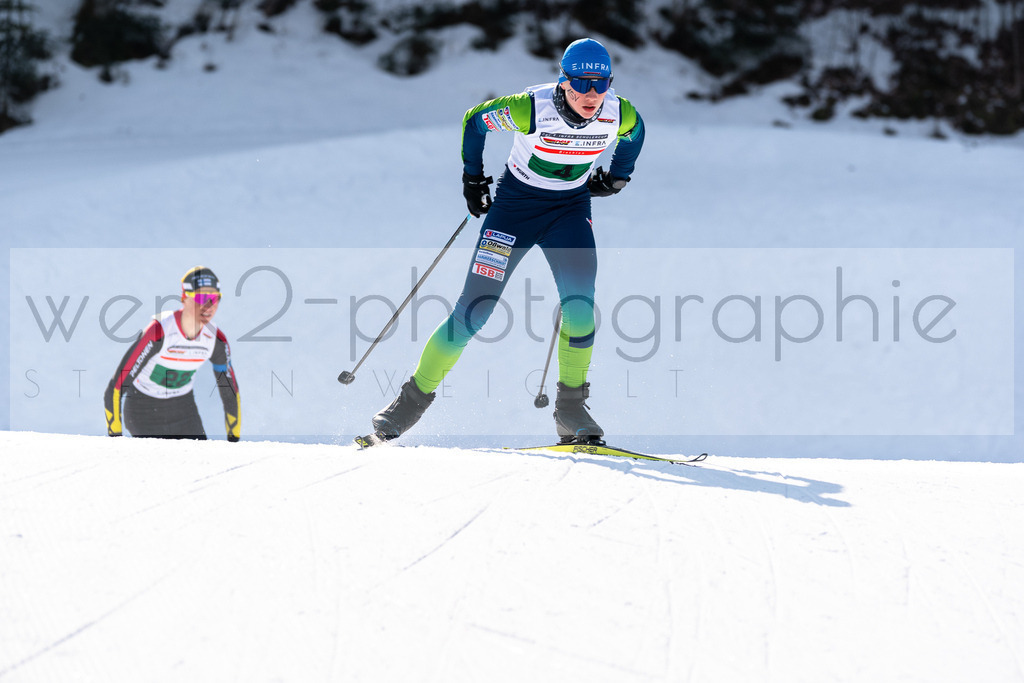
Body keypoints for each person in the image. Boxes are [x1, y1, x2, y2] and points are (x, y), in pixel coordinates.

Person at [366, 37, 645, 444]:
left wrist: (619, 175)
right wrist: (472, 177)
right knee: (474, 311)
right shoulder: (529, 108)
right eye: (581, 83)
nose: (591, 94)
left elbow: (636, 134)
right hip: (513, 214)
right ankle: (410, 402)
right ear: (563, 81)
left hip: (568, 214)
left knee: (581, 307)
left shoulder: (619, 113)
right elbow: (475, 120)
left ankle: (571, 410)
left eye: (600, 84)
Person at [104, 266, 241, 440]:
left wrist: (234, 440)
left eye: (215, 298)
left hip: (183, 410)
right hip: (143, 410)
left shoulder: (216, 340)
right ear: (184, 298)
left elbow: (230, 393)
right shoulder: (160, 330)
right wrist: (115, 438)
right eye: (201, 297)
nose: (209, 305)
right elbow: (115, 388)